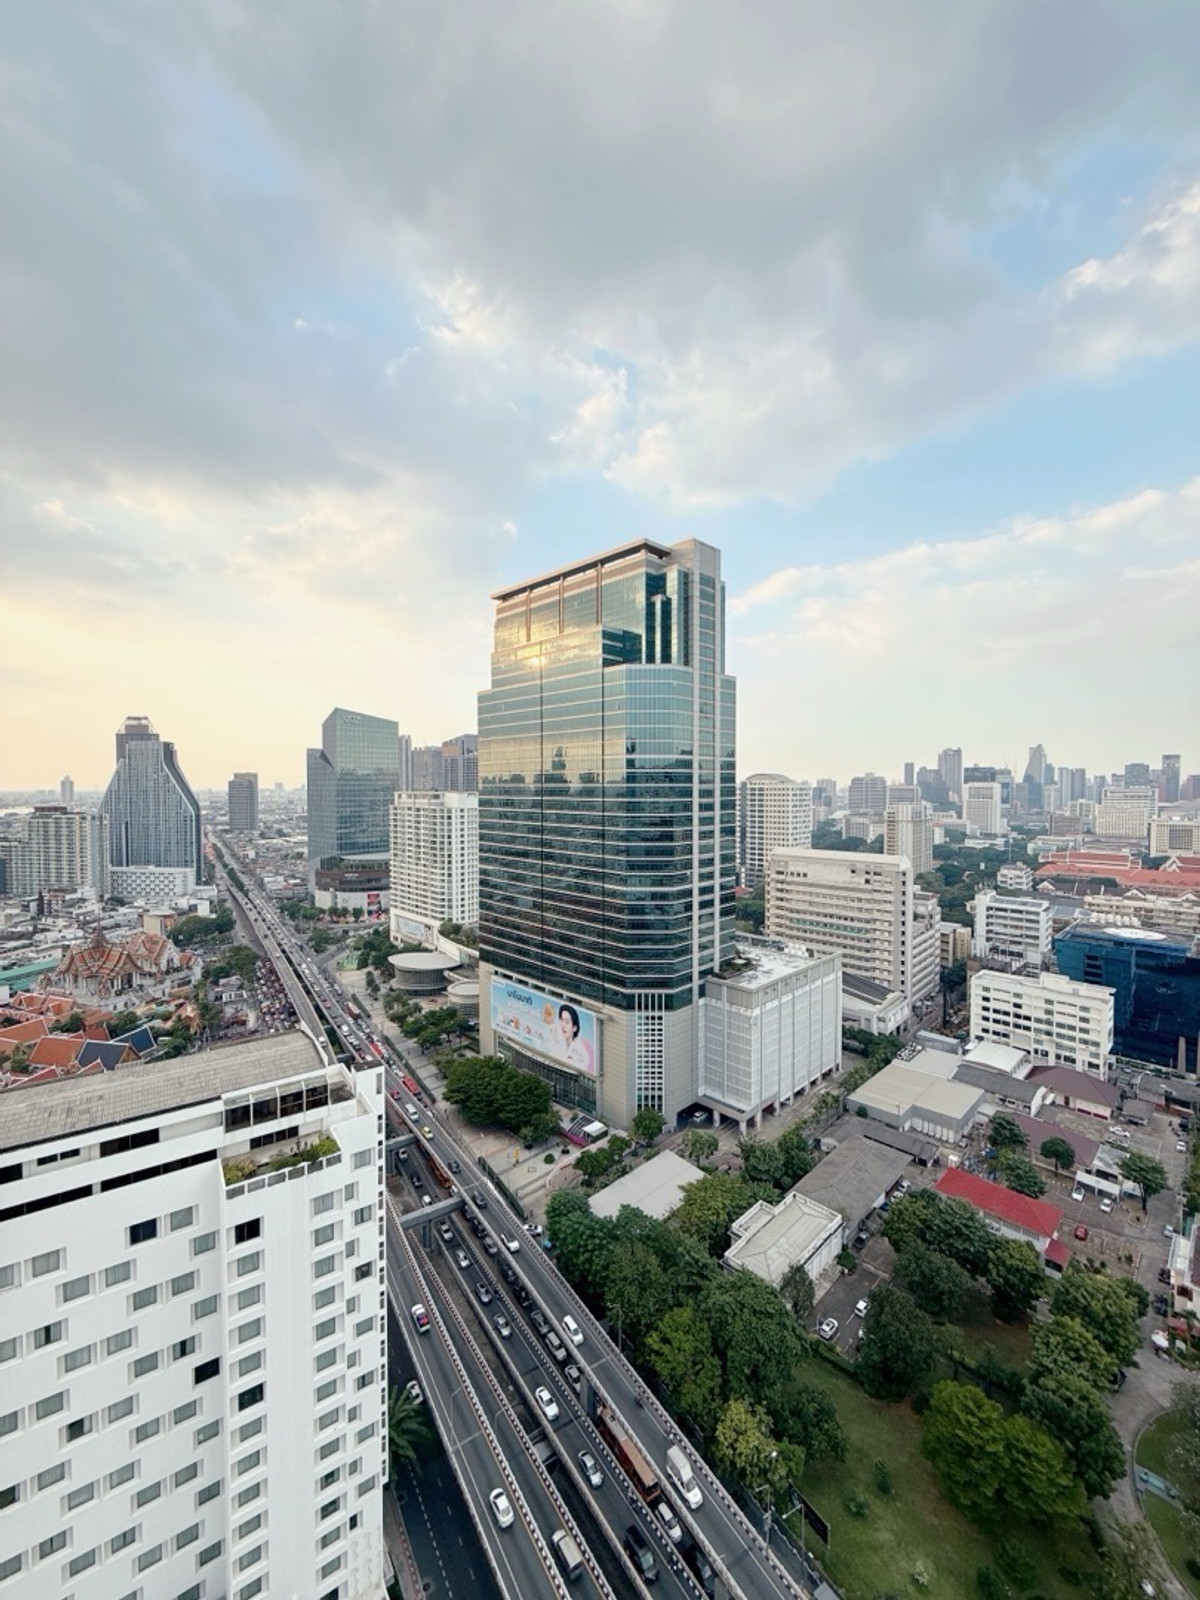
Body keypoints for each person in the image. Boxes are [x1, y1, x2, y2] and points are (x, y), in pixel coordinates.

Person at [556, 1003, 594, 1073]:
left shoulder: (583, 1049)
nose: (563, 1025)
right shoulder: (557, 1044)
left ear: (574, 1028)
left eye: (567, 1022)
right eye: (561, 1020)